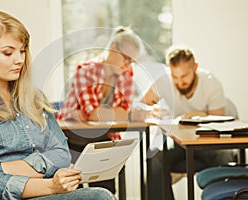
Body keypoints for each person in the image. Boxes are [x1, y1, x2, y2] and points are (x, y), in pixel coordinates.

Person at [0, 10, 116, 200]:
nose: (19, 59)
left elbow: (62, 155)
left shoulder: (35, 98)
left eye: (22, 51)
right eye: (8, 52)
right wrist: (50, 185)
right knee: (100, 197)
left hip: (41, 193)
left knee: (101, 195)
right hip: (4, 197)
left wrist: (3, 168)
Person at [56, 26, 144, 194]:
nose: (127, 65)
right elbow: (94, 114)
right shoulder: (86, 70)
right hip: (72, 139)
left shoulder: (127, 75)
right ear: (112, 49)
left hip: (104, 136)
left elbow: (122, 116)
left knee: (107, 189)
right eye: (126, 58)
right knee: (76, 191)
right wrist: (117, 113)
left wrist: (106, 113)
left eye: (131, 61)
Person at [141, 45, 236, 200]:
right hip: (178, 141)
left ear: (195, 67)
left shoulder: (211, 83)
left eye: (184, 76)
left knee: (224, 155)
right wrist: (151, 110)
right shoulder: (164, 80)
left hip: (206, 140)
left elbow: (220, 122)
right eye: (175, 76)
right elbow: (140, 105)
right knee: (154, 155)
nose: (179, 82)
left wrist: (196, 116)